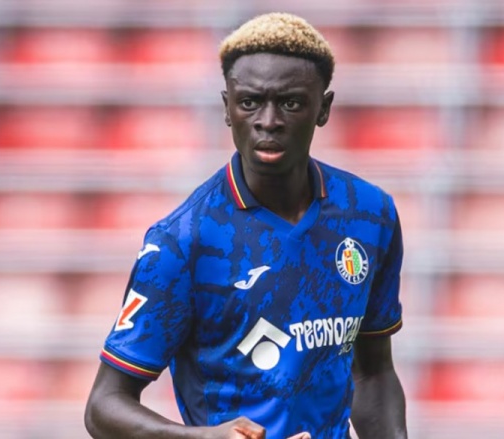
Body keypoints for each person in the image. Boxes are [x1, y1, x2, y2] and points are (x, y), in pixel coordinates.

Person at [85, 12, 407, 439]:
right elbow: (104, 406)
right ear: (227, 108)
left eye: (291, 103)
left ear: (323, 108)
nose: (268, 121)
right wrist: (205, 437)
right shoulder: (184, 242)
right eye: (250, 102)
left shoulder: (368, 214)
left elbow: (374, 373)